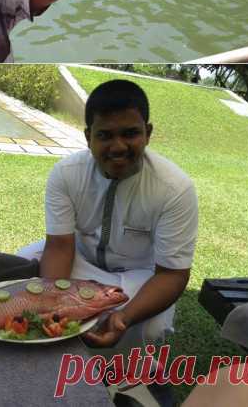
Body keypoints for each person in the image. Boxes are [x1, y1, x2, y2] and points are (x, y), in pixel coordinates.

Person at [18, 78, 198, 355]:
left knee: (149, 328)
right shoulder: (66, 174)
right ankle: (52, 352)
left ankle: (121, 377)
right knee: (22, 265)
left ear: (147, 133)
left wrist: (124, 317)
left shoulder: (175, 188)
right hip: (81, 262)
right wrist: (54, 302)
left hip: (140, 277)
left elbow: (172, 275)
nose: (118, 146)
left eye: (130, 133)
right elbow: (60, 246)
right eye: (105, 135)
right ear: (88, 136)